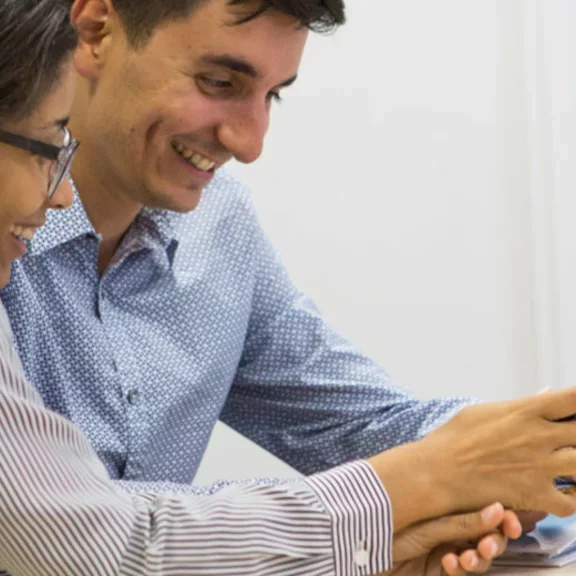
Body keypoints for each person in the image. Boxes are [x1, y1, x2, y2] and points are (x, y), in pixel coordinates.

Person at [1, 0, 575, 573]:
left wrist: (529, 459)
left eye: (272, 96)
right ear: (96, 30)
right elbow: (76, 531)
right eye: (219, 82)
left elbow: (354, 420)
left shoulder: (218, 226)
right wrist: (425, 483)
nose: (249, 145)